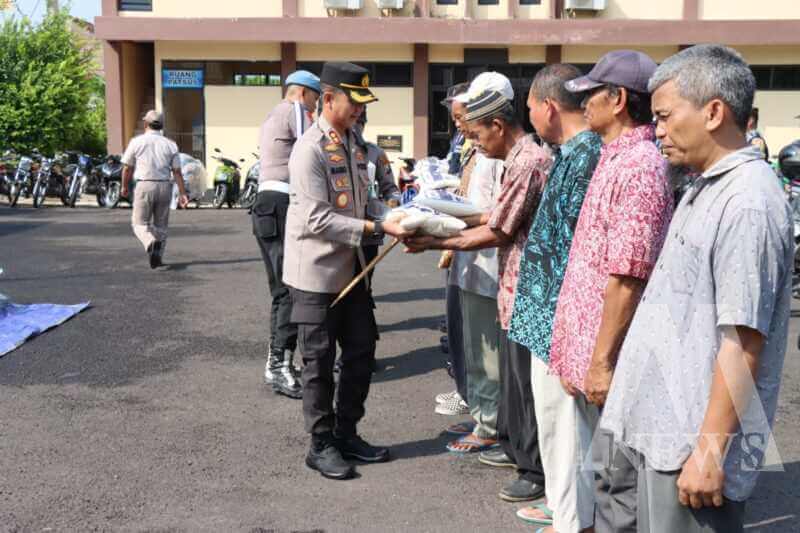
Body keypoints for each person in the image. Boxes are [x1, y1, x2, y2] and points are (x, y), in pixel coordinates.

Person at [598, 44, 793, 533]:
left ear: (712, 112)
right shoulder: (705, 183)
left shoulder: (747, 202)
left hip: (689, 445)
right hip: (658, 430)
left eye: (664, 116)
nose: (656, 129)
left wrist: (709, 451)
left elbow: (743, 341)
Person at [406, 84, 551, 503]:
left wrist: (436, 241)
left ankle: (534, 469)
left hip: (528, 291)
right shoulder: (516, 159)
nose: (473, 140)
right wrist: (439, 217)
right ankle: (518, 451)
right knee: (513, 379)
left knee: (524, 385)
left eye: (476, 133)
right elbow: (496, 214)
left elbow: (498, 230)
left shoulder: (529, 162)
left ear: (497, 124)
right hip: (513, 287)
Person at [283, 62, 411, 481]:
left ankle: (346, 432)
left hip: (352, 272)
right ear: (329, 98)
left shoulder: (356, 145)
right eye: (355, 102)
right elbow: (317, 219)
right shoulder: (309, 150)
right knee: (318, 362)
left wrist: (398, 214)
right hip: (316, 277)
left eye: (363, 104)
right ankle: (320, 445)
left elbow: (361, 203)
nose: (360, 110)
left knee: (361, 353)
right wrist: (378, 226)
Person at [506, 64, 603, 532]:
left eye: (529, 108)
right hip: (546, 321)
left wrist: (570, 335)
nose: (529, 116)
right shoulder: (569, 152)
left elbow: (580, 255)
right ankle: (567, 512)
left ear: (548, 107)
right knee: (556, 428)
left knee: (567, 432)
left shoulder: (587, 157)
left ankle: (574, 522)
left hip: (561, 326)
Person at [253, 70, 321, 399]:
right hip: (281, 204)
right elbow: (314, 146)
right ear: (303, 93)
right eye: (316, 98)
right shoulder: (295, 110)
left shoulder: (270, 115)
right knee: (289, 289)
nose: (316, 106)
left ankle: (278, 362)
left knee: (282, 289)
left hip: (266, 204)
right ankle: (278, 366)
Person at [121, 110, 188, 269]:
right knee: (161, 226)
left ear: (145, 124)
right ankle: (158, 257)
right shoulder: (171, 144)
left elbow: (127, 168)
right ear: (161, 126)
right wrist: (183, 193)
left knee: (139, 223)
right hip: (165, 186)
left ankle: (150, 242)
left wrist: (124, 186)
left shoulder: (137, 142)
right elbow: (177, 171)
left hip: (144, 185)